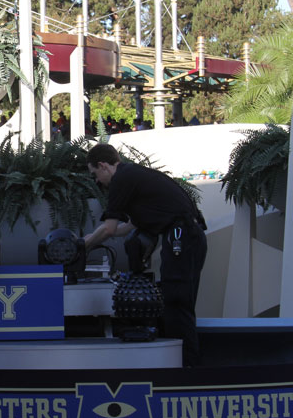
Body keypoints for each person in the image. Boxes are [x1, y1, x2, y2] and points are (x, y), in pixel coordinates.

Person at [83, 143, 207, 366]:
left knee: (176, 302)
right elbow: (125, 229)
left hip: (181, 236)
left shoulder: (121, 179)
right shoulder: (135, 175)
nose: (97, 182)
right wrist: (91, 237)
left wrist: (84, 246)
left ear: (103, 166)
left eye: (95, 175)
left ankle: (186, 367)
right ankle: (184, 361)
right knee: (177, 301)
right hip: (190, 236)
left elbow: (110, 228)